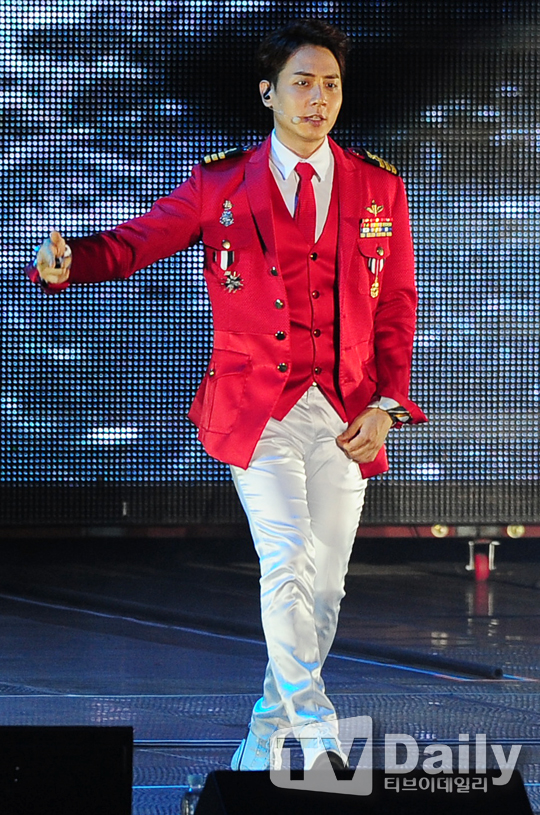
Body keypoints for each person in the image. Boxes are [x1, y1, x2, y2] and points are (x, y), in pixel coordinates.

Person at [27, 18, 426, 772]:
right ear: (269, 92)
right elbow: (137, 241)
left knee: (325, 588)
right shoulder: (222, 183)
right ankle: (318, 734)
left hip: (346, 411)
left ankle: (263, 741)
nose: (318, 98)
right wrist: (71, 261)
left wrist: (387, 405)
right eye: (303, 83)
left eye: (331, 84)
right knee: (286, 559)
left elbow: (396, 307)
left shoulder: (379, 186)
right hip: (257, 408)